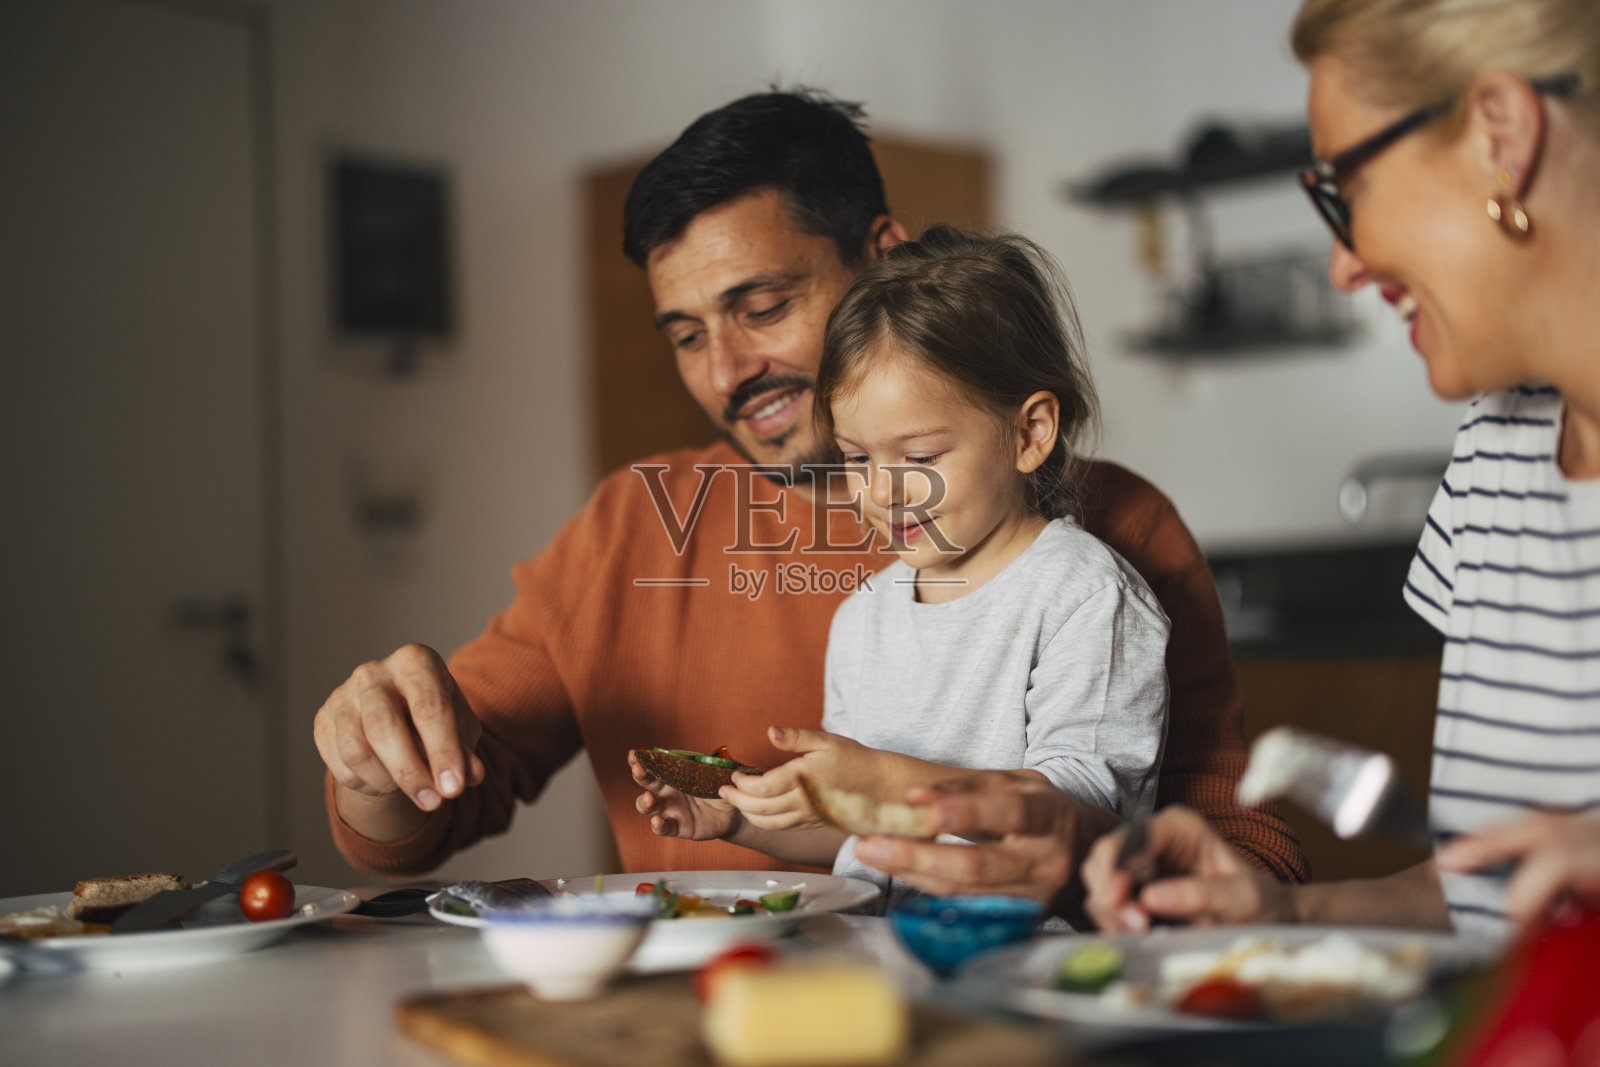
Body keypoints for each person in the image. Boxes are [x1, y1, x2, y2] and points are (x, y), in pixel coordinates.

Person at [312, 89, 1306, 892]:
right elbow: (422, 816)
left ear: (883, 257)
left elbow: (1239, 851)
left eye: (762, 306)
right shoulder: (631, 530)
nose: (727, 372)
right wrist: (377, 751)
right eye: (688, 335)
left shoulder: (1111, 532)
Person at [1076, 0, 1600, 942]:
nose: (1344, 265)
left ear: (1503, 135)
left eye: (1346, 188)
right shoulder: (1499, 448)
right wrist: (1287, 911)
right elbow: (1495, 892)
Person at [628, 226, 1170, 896]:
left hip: (1029, 947)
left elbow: (1082, 812)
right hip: (876, 944)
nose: (882, 491)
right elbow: (855, 832)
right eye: (858, 458)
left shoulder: (1085, 595)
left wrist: (885, 778)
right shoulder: (864, 614)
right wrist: (740, 817)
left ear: (1029, 432)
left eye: (919, 456)